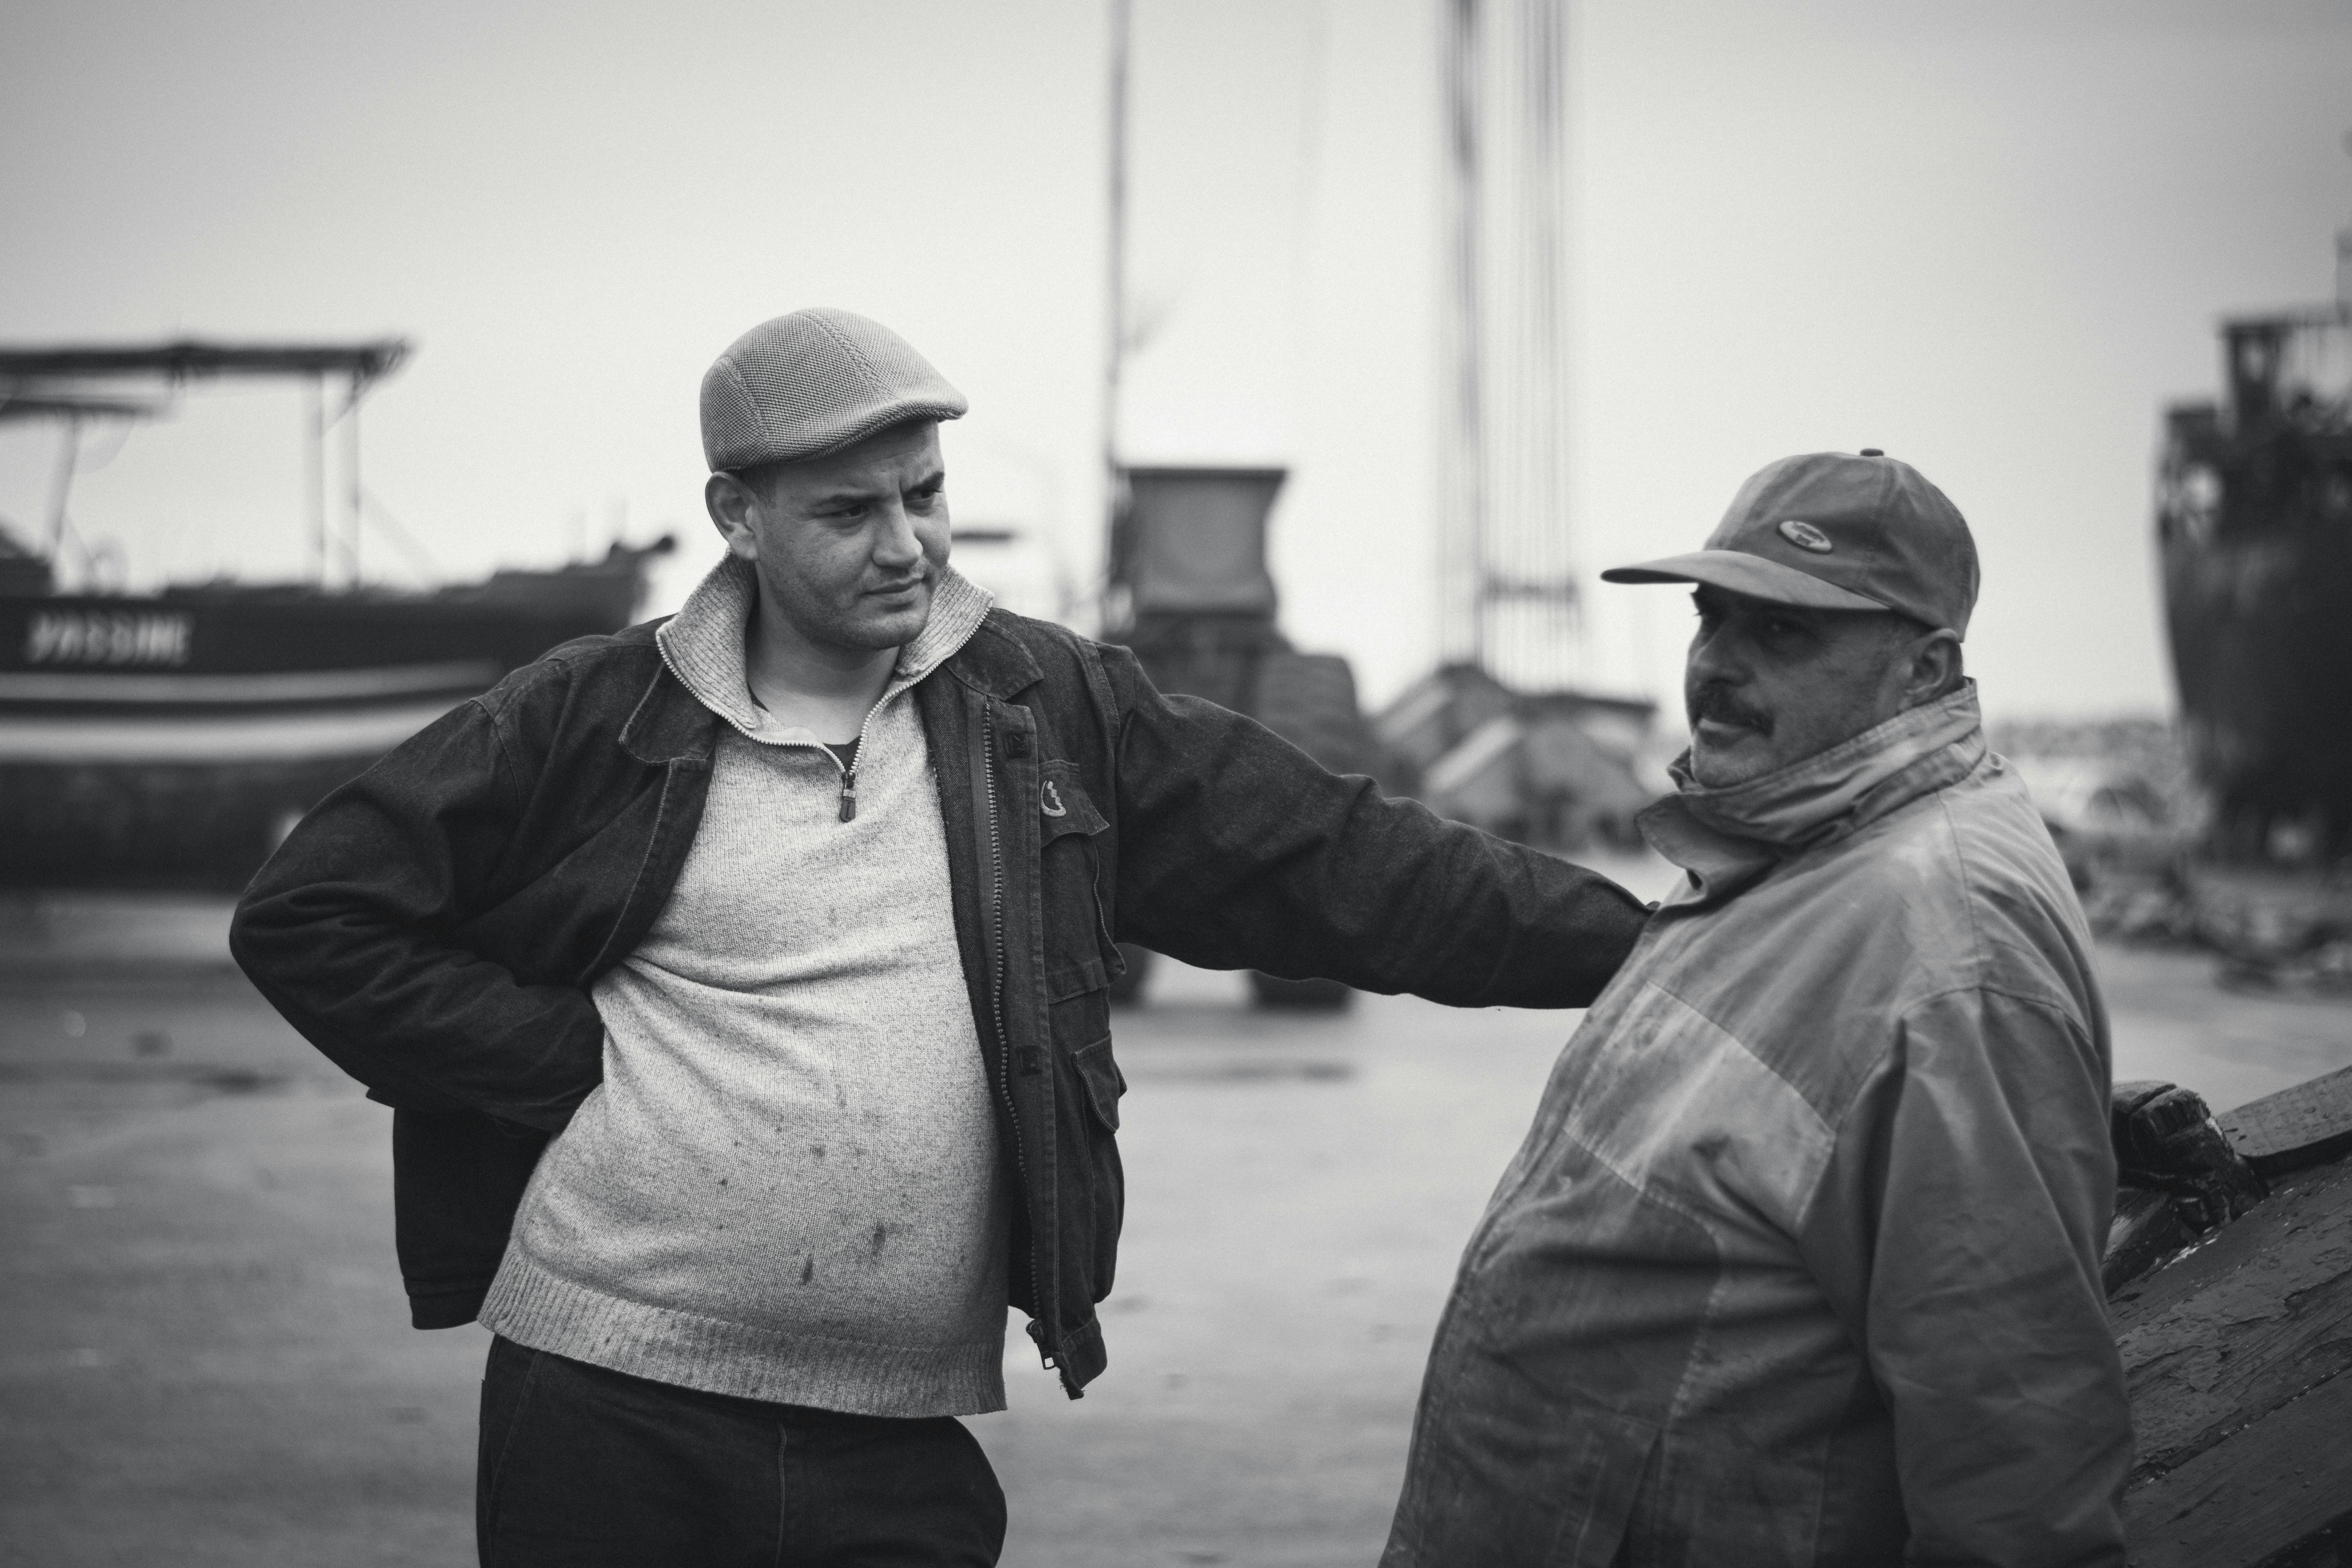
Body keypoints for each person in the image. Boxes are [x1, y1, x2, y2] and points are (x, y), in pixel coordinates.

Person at [229, 307, 1651, 1567]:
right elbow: (316, 912)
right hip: (606, 1402)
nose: (905, 544)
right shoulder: (592, 715)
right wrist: (562, 1065)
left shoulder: (1047, 706)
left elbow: (1341, 861)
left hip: (897, 1435)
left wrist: (1652, 947)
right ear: (736, 513)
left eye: (925, 495)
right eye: (849, 510)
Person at [1382, 451, 2132, 1567]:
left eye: (1781, 634)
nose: (1717, 666)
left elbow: (2014, 1456)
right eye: (1712, 618)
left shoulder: (1945, 952)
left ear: (1922, 672)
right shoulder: (1796, 844)